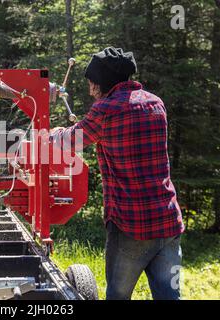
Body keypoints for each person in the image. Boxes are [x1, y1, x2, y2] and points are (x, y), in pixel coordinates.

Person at [50, 47, 184, 300]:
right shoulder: (157, 103)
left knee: (118, 296)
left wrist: (52, 133)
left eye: (92, 83)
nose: (90, 90)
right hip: (168, 220)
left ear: (103, 82)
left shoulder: (107, 109)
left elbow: (72, 141)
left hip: (131, 225)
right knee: (170, 296)